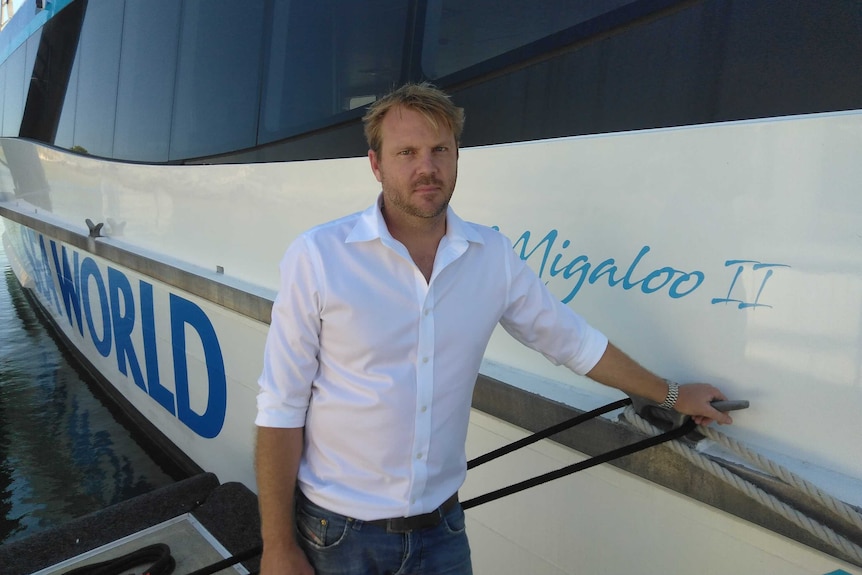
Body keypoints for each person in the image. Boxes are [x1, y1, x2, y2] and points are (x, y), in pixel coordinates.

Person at [254, 82, 732, 575]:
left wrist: (672, 395)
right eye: (407, 153)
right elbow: (282, 407)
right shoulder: (319, 257)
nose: (427, 168)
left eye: (440, 150)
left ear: (458, 156)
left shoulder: (492, 257)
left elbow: (574, 343)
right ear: (376, 165)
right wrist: (277, 545)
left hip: (441, 533)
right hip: (338, 537)